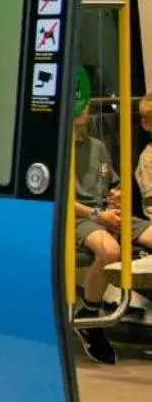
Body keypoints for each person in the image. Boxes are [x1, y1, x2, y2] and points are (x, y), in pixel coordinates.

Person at [70, 68, 152, 364]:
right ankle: (89, 314)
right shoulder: (60, 152)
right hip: (79, 217)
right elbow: (65, 203)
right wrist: (98, 214)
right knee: (110, 250)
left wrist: (117, 200)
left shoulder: (99, 147)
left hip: (105, 212)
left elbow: (114, 186)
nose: (84, 112)